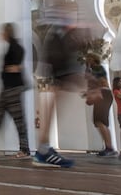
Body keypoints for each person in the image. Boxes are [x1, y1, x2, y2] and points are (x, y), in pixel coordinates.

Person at [34, 23, 89, 167]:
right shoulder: (57, 31)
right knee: (56, 94)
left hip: (60, 53)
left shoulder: (62, 29)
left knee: (58, 94)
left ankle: (43, 149)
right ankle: (43, 150)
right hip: (58, 53)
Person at [0, 23, 30, 158]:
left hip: (13, 88)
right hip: (7, 89)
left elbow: (17, 67)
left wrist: (10, 69)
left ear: (7, 33)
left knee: (18, 120)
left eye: (3, 32)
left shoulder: (16, 48)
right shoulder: (11, 47)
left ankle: (25, 150)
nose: (1, 34)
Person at [85, 53, 117, 157]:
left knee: (100, 121)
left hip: (103, 94)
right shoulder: (92, 69)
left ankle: (110, 148)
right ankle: (108, 147)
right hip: (101, 94)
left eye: (89, 58)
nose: (87, 60)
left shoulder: (98, 68)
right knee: (99, 122)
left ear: (94, 59)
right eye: (87, 59)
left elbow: (99, 81)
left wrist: (91, 93)